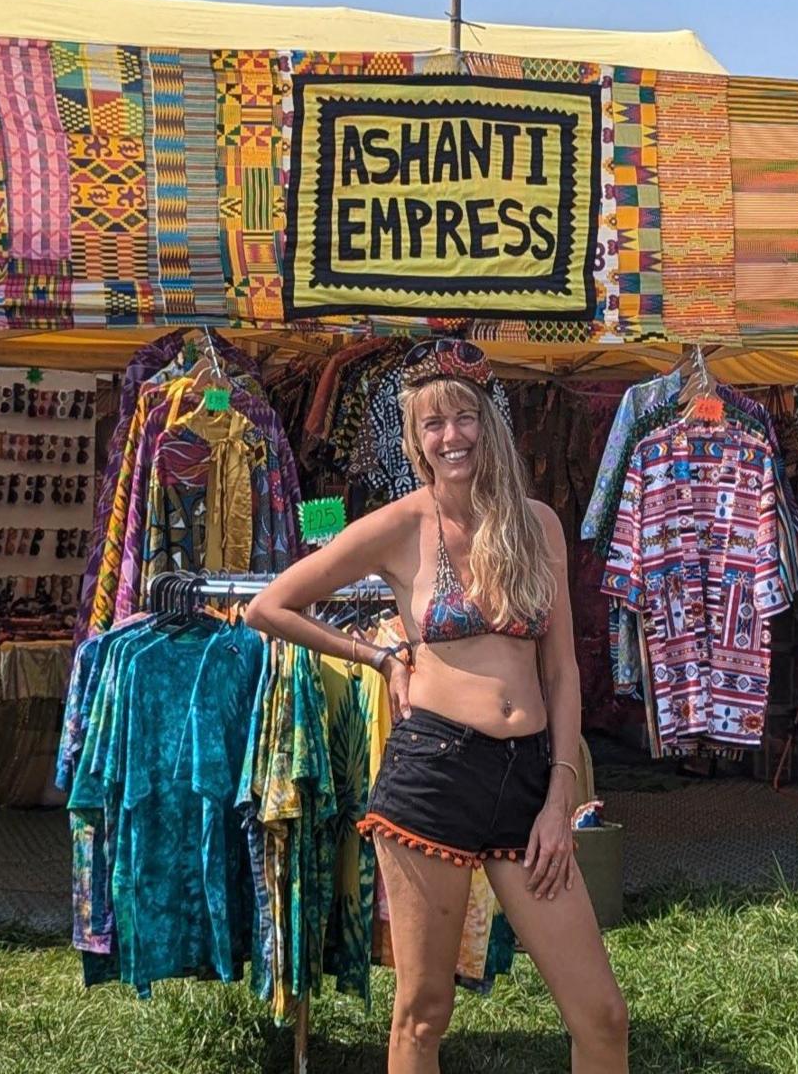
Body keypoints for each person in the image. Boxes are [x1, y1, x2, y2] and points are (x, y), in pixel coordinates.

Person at [247, 340, 628, 1074]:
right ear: (416, 442)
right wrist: (381, 656)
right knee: (423, 1015)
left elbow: (563, 673)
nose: (450, 436)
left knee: (601, 1015)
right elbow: (272, 605)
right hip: (434, 777)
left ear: (490, 422)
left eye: (463, 418)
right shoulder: (401, 526)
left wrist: (560, 796)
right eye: (431, 425)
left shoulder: (537, 525)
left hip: (527, 782)